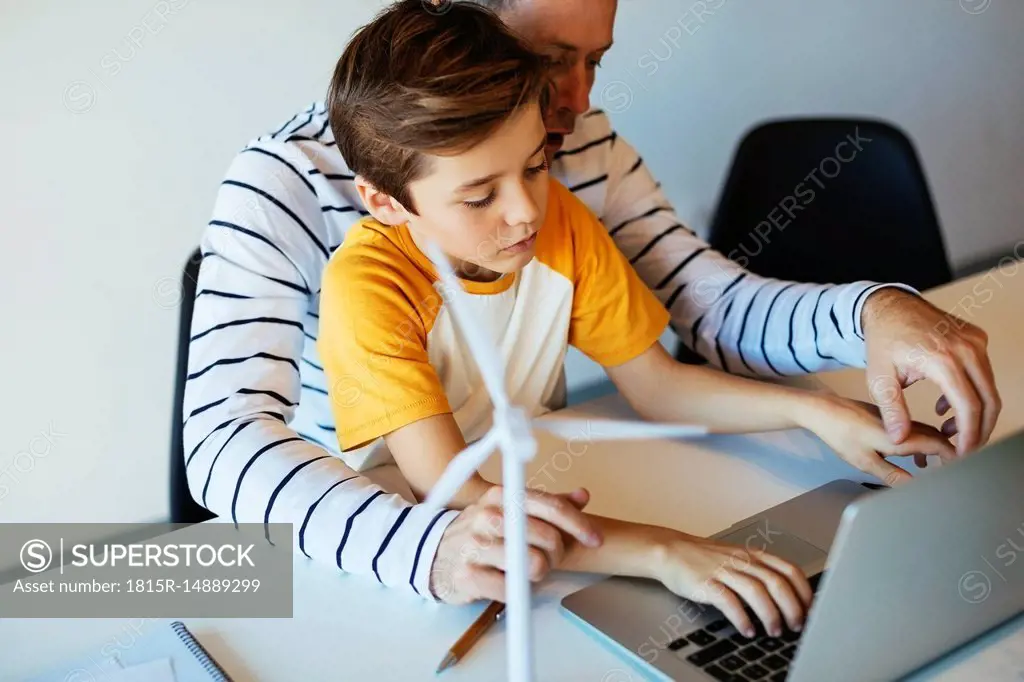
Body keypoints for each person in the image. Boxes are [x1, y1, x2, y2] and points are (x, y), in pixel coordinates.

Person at [182, 0, 999, 609]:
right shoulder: (297, 201)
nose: (572, 104)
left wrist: (860, 334)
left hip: (543, 503)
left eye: (595, 61)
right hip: (377, 549)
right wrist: (428, 548)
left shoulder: (557, 171)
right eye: (546, 61)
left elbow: (699, 307)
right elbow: (225, 441)